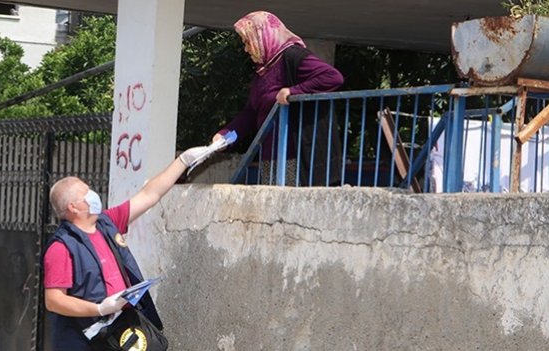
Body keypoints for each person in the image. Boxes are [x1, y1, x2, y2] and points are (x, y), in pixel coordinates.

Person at [43, 146, 212, 350]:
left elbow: (149, 195)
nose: (92, 194)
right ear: (73, 207)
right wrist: (99, 308)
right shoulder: (62, 247)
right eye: (86, 192)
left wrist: (183, 161)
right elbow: (53, 300)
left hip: (120, 330)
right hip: (85, 339)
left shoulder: (107, 222)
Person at [213, 11, 345, 186]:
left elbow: (332, 77)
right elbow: (251, 114)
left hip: (295, 158)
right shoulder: (263, 72)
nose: (246, 49)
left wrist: (293, 91)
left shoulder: (293, 56)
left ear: (263, 36)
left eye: (247, 42)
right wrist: (224, 136)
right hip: (270, 158)